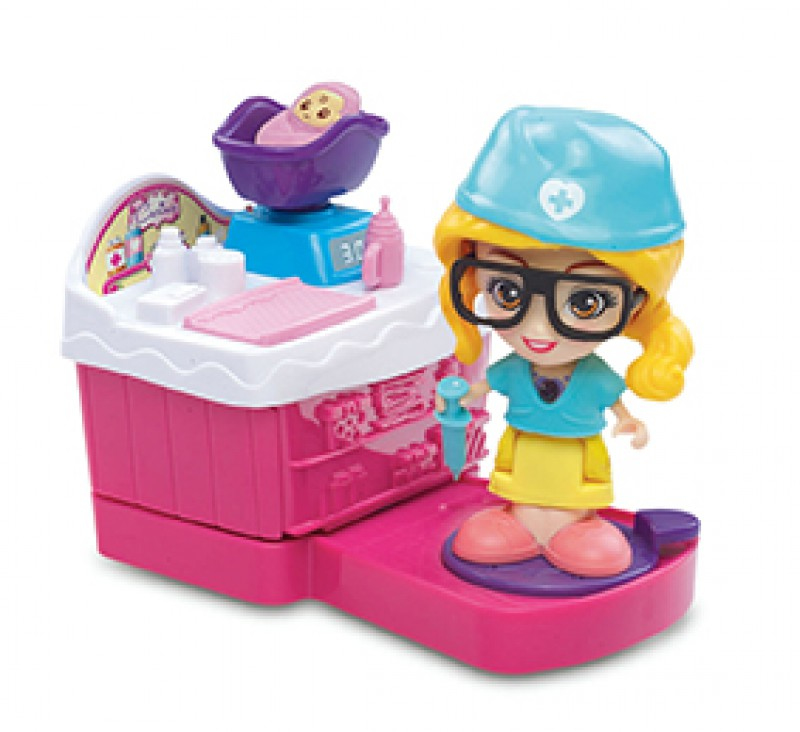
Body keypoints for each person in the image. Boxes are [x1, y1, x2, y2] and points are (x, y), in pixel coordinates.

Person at [434, 107, 693, 577]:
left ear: (636, 304)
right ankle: (519, 522)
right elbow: (481, 390)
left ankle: (577, 526)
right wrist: (457, 399)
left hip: (575, 468)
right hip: (523, 465)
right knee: (496, 523)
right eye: (506, 291)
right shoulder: (514, 371)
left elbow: (616, 404)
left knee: (587, 536)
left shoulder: (593, 377)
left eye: (586, 303)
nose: (537, 331)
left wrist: (629, 421)